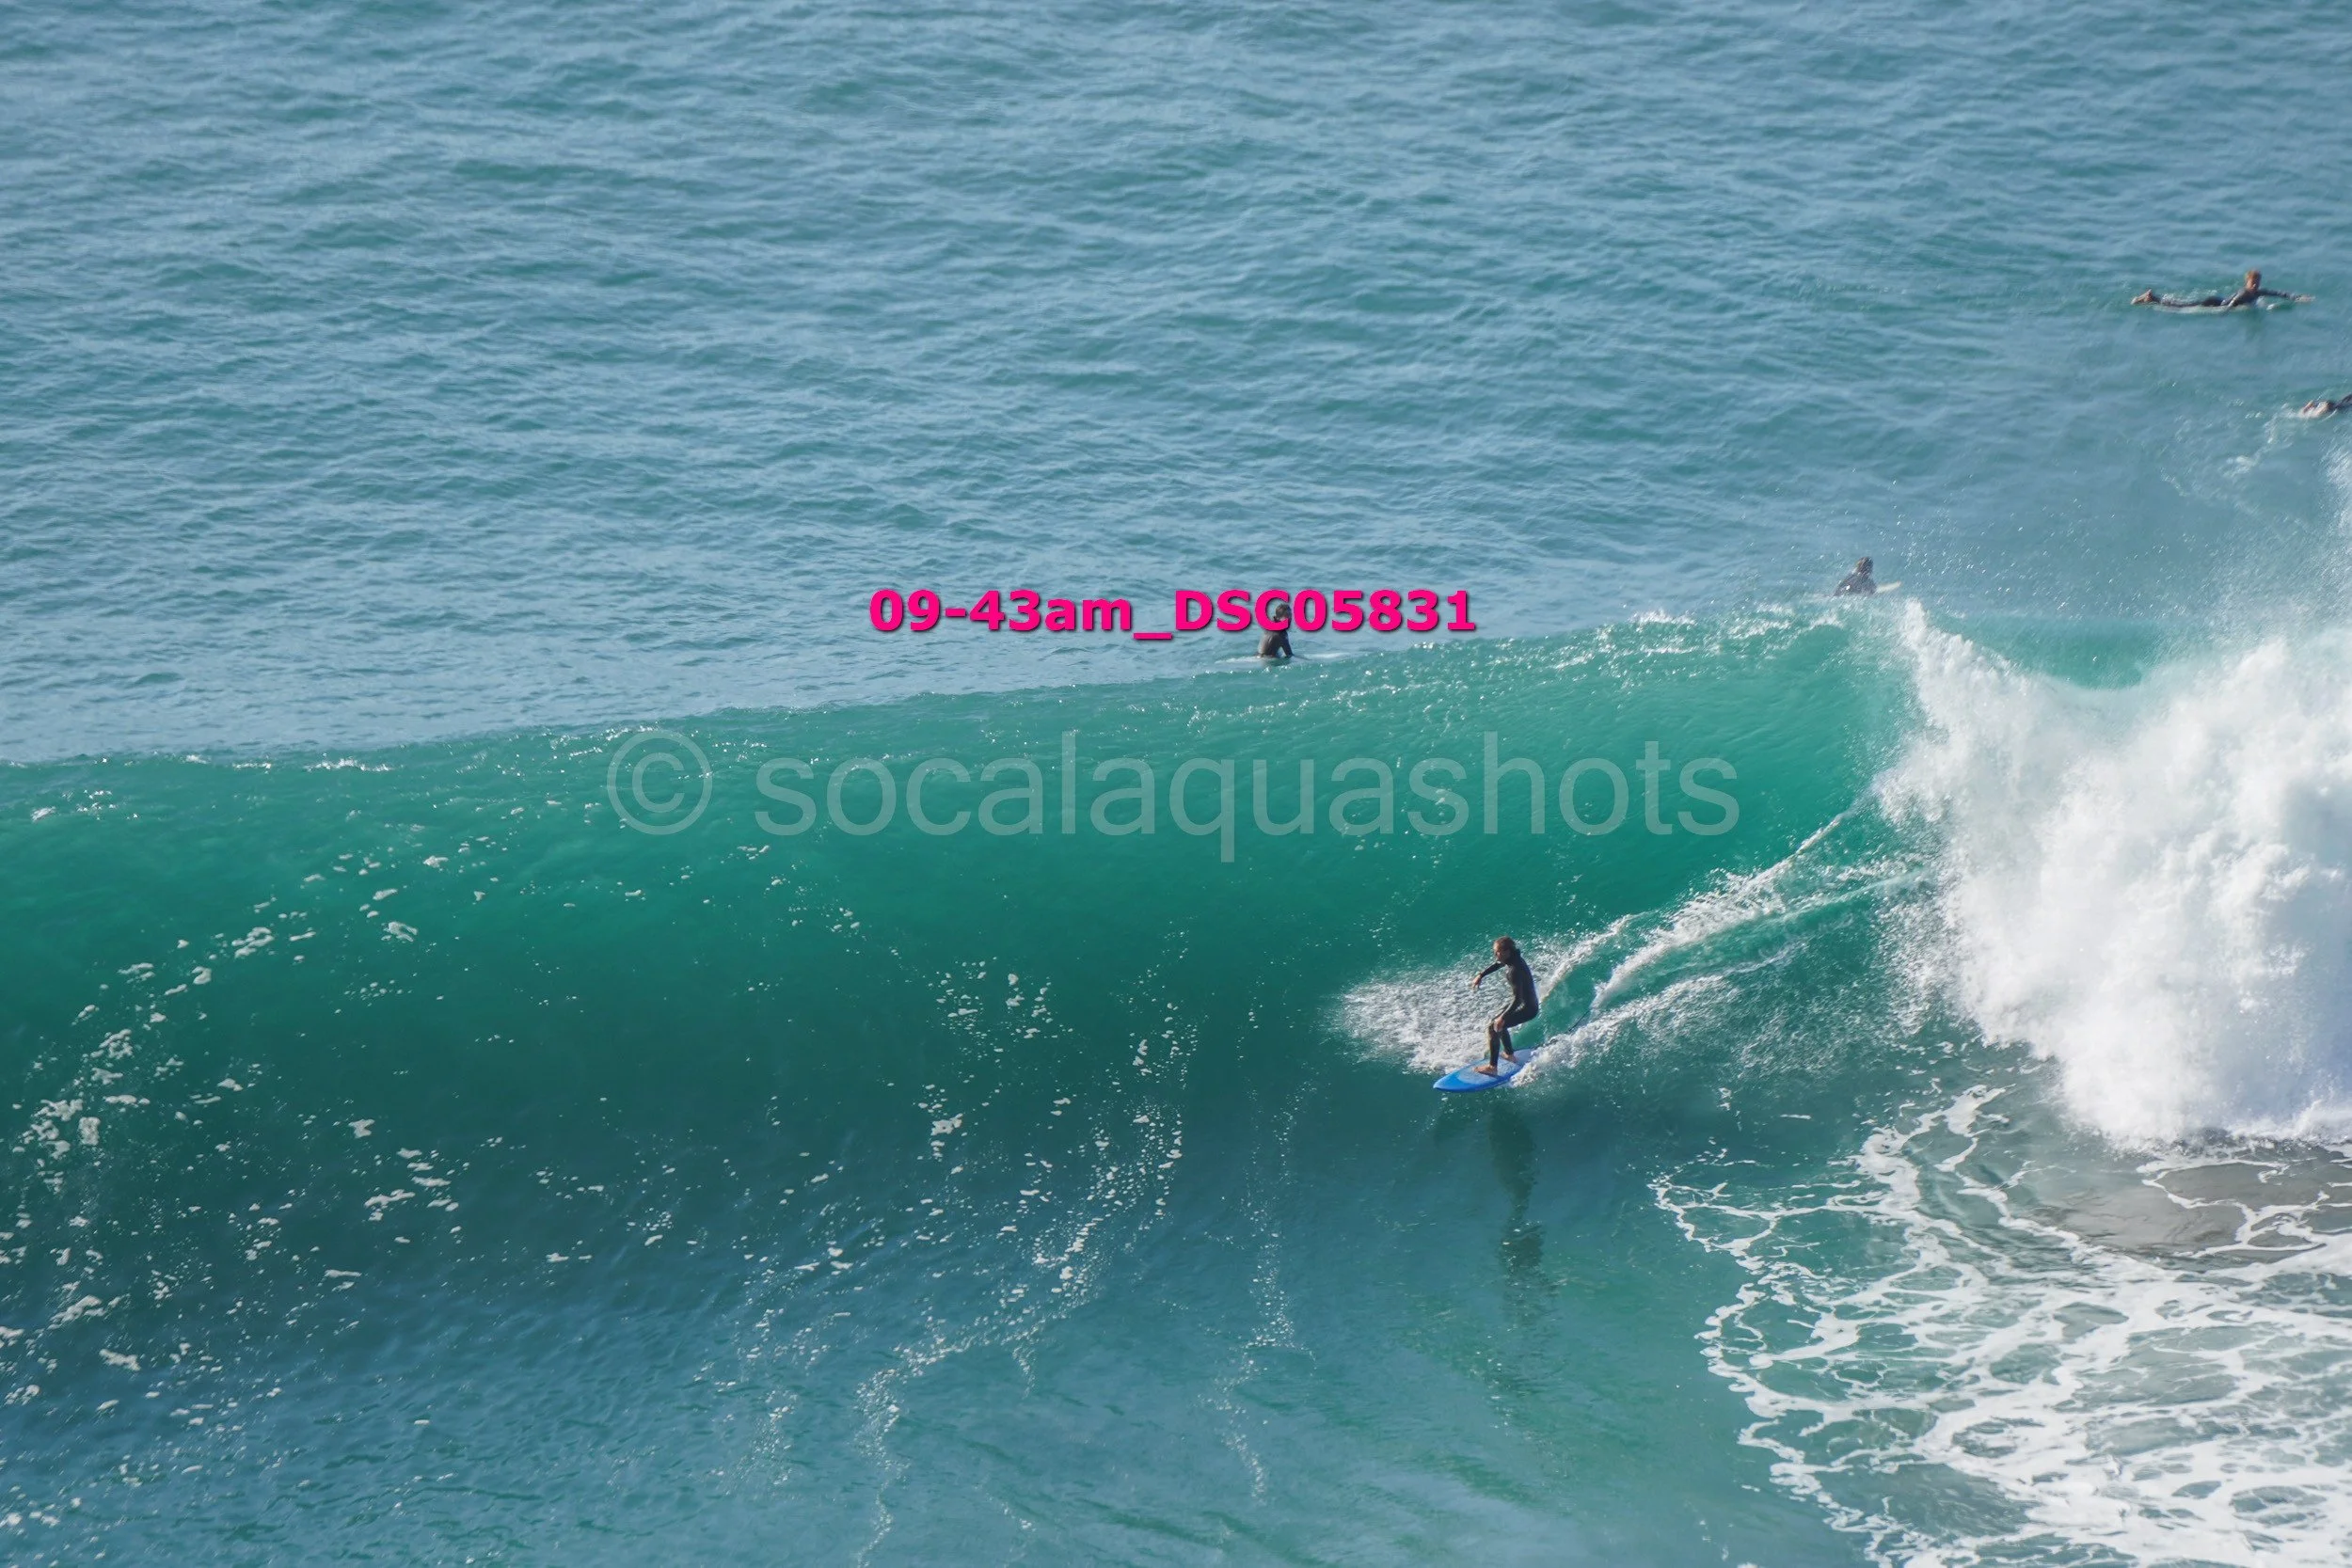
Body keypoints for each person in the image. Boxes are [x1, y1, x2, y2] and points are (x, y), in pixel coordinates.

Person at [1470, 936, 1540, 1074]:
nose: (1495, 955)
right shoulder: (1513, 958)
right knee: (1497, 1022)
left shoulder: (1514, 969)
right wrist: (1481, 975)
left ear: (1507, 951)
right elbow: (1498, 964)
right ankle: (1509, 1055)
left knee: (1493, 1027)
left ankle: (1492, 1068)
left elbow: (1518, 999)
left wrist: (1503, 1017)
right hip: (1526, 1003)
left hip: (1527, 1008)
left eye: (1497, 952)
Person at [2133, 270, 2311, 310]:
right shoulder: (2244, 294)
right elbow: (2231, 305)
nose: (2256, 285)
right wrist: (2221, 316)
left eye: (2257, 282)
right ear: (2247, 282)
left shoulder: (2257, 292)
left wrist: (2297, 297)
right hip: (2213, 303)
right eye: (2253, 282)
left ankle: (2152, 298)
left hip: (2219, 299)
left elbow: (2279, 294)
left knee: (2183, 305)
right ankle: (2152, 298)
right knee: (2183, 307)